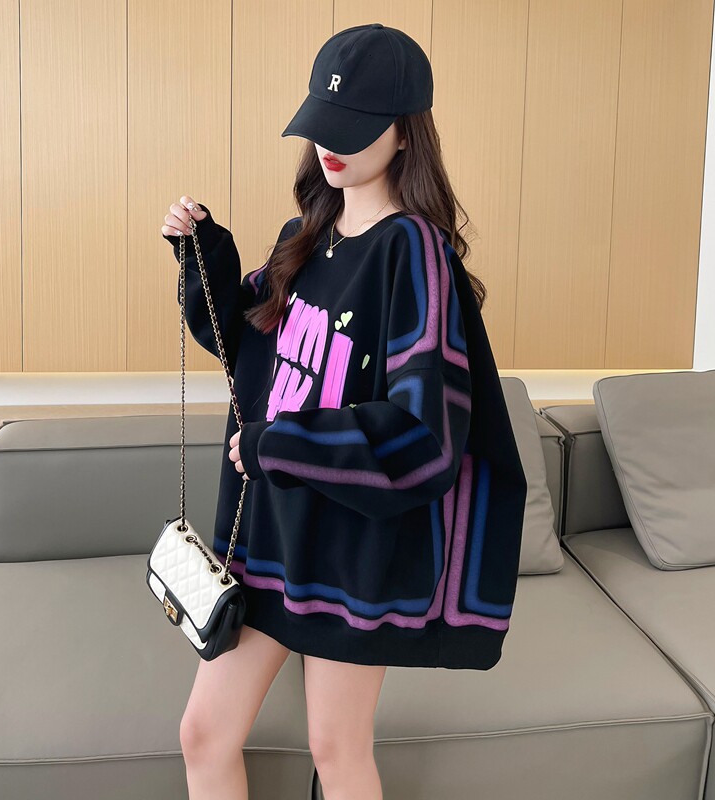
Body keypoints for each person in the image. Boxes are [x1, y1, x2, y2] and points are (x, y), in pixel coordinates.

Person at [160, 23, 527, 800]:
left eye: (355, 128)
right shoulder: (306, 235)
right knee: (204, 734)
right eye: (324, 125)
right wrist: (204, 255)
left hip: (347, 551)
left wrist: (279, 446)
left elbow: (424, 434)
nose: (331, 146)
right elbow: (248, 347)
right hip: (270, 536)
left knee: (336, 747)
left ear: (406, 133)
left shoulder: (413, 252)